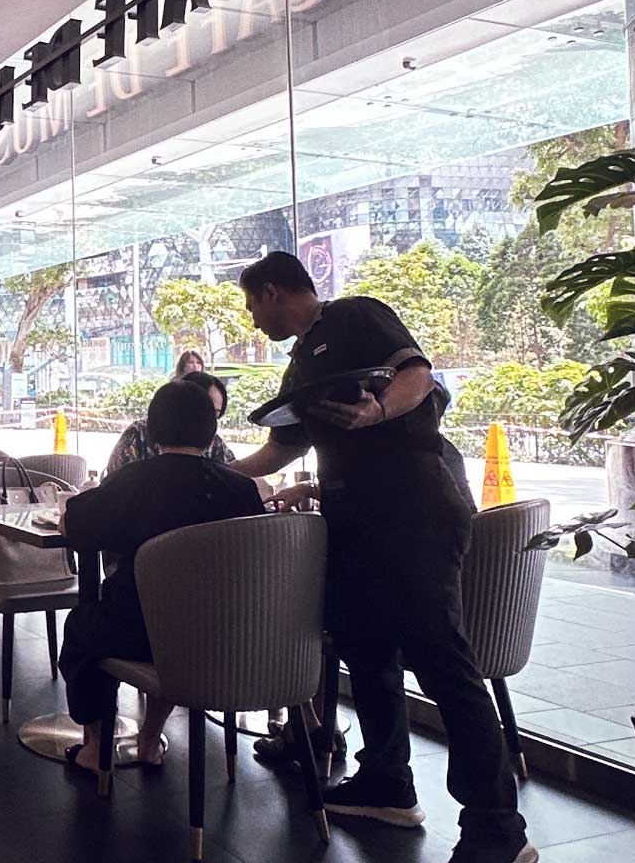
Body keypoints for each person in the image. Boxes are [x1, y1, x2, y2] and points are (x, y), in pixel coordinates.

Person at [228, 252, 532, 863]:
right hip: (357, 520)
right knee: (365, 652)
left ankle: (498, 830)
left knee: (444, 664)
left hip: (411, 510)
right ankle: (386, 782)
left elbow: (417, 373)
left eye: (252, 305)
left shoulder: (355, 316)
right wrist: (209, 475)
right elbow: (278, 449)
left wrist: (376, 410)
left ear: (271, 291)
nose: (252, 320)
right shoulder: (300, 362)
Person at [58, 380, 265, 771]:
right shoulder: (240, 489)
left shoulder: (135, 480)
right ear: (212, 431)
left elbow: (75, 525)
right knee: (178, 633)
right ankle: (150, 738)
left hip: (143, 632)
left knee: (82, 629)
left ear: (153, 430)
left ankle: (96, 748)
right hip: (231, 634)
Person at [104, 369, 235, 477]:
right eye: (205, 409)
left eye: (215, 414)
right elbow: (115, 481)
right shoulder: (138, 434)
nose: (208, 420)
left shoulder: (213, 440)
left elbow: (230, 470)